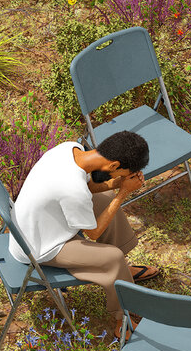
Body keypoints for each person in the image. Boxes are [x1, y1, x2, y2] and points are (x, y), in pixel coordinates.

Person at [9, 130, 158, 338]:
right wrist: (124, 192)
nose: (121, 178)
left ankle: (122, 274)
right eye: (122, 174)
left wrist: (116, 183)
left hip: (36, 225)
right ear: (114, 166)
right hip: (39, 246)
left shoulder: (70, 149)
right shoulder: (72, 189)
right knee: (112, 257)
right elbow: (94, 232)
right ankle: (122, 319)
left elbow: (88, 187)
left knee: (105, 197)